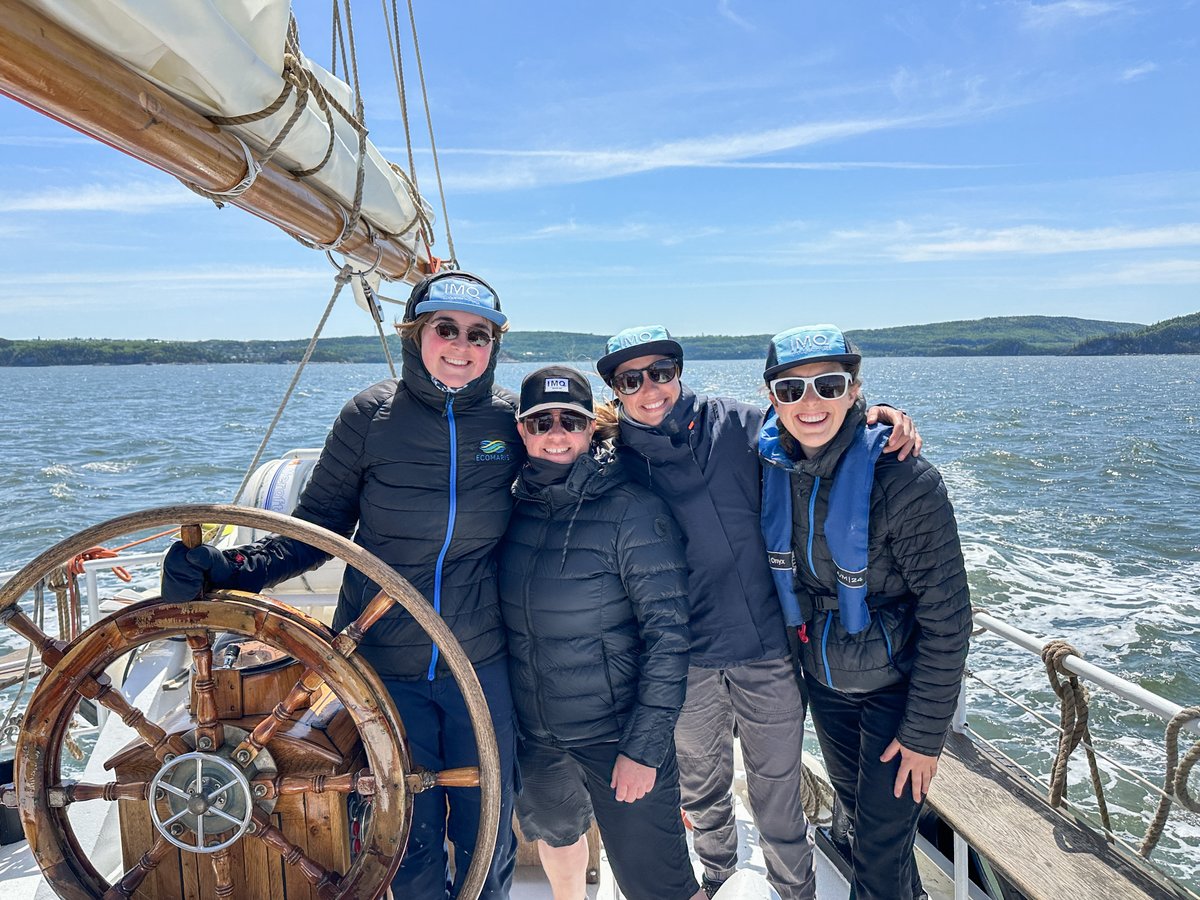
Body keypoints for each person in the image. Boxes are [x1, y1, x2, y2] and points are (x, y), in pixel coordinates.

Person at [160, 270, 522, 899]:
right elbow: (312, 532)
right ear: (416, 334)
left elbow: (565, 486)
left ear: (494, 345)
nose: (461, 346)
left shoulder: (511, 424)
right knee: (403, 838)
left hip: (480, 663)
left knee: (486, 835)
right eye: (446, 329)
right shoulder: (369, 416)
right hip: (380, 665)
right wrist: (224, 571)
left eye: (478, 335)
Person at [593, 325, 921, 900]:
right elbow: (552, 448)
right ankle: (719, 879)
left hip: (766, 646)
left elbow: (815, 424)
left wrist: (880, 414)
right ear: (616, 390)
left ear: (679, 372)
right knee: (702, 788)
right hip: (684, 659)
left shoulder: (740, 424)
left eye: (661, 373)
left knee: (778, 790)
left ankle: (795, 892)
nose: (650, 389)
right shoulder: (613, 457)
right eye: (631, 379)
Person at [757, 323, 971, 900]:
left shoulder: (905, 479)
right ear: (770, 396)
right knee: (862, 825)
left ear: (855, 390)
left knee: (876, 857)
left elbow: (948, 618)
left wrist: (925, 737)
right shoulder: (771, 465)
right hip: (825, 682)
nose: (811, 403)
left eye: (829, 385)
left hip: (894, 691)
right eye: (791, 388)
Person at [497, 366, 704, 900]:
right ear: (523, 430)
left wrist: (644, 747)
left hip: (618, 736)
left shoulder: (633, 511)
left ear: (592, 429)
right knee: (557, 837)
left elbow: (669, 638)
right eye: (542, 421)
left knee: (659, 883)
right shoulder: (509, 506)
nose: (557, 433)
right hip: (537, 733)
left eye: (571, 420)